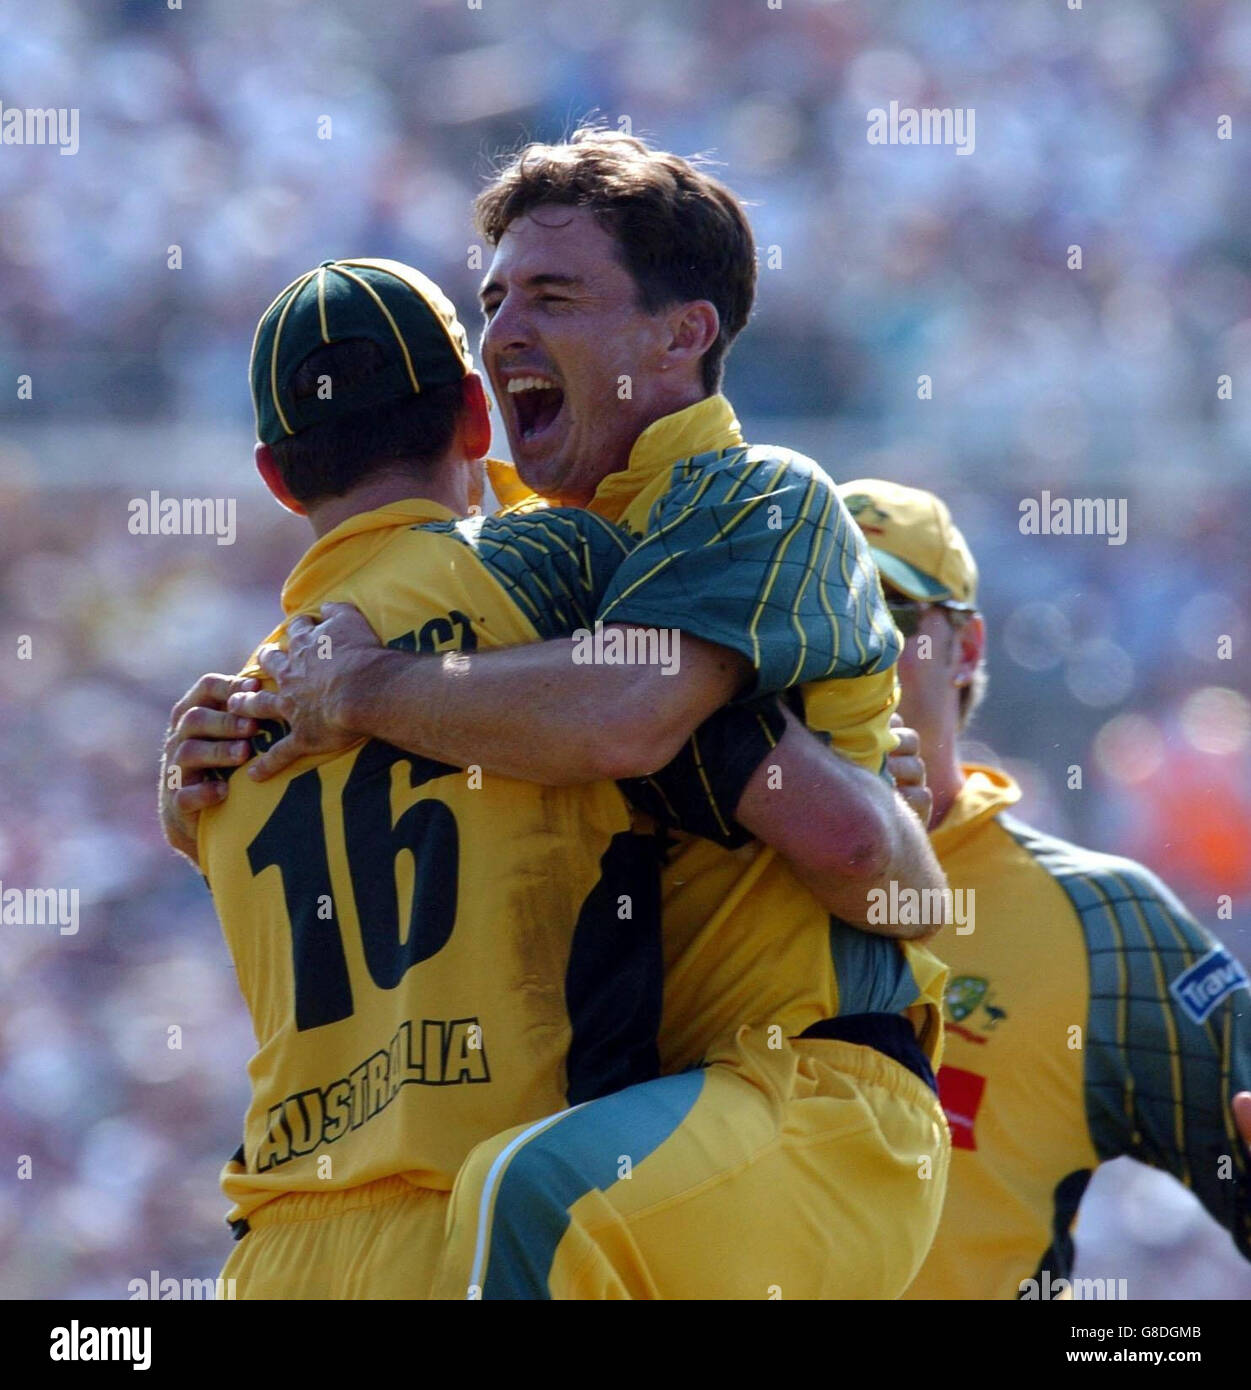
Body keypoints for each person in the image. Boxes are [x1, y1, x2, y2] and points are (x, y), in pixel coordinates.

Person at [220, 129, 955, 1299]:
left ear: (682, 333)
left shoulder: (754, 494)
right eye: (494, 298)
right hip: (674, 1124)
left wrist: (356, 690)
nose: (508, 328)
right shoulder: (545, 560)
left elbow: (623, 712)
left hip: (813, 1103)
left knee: (530, 1197)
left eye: (553, 294)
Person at [836, 477, 1251, 1299]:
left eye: (890, 616)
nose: (856, 650)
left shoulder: (1103, 923)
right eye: (820, 618)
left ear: (965, 648)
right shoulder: (683, 875)